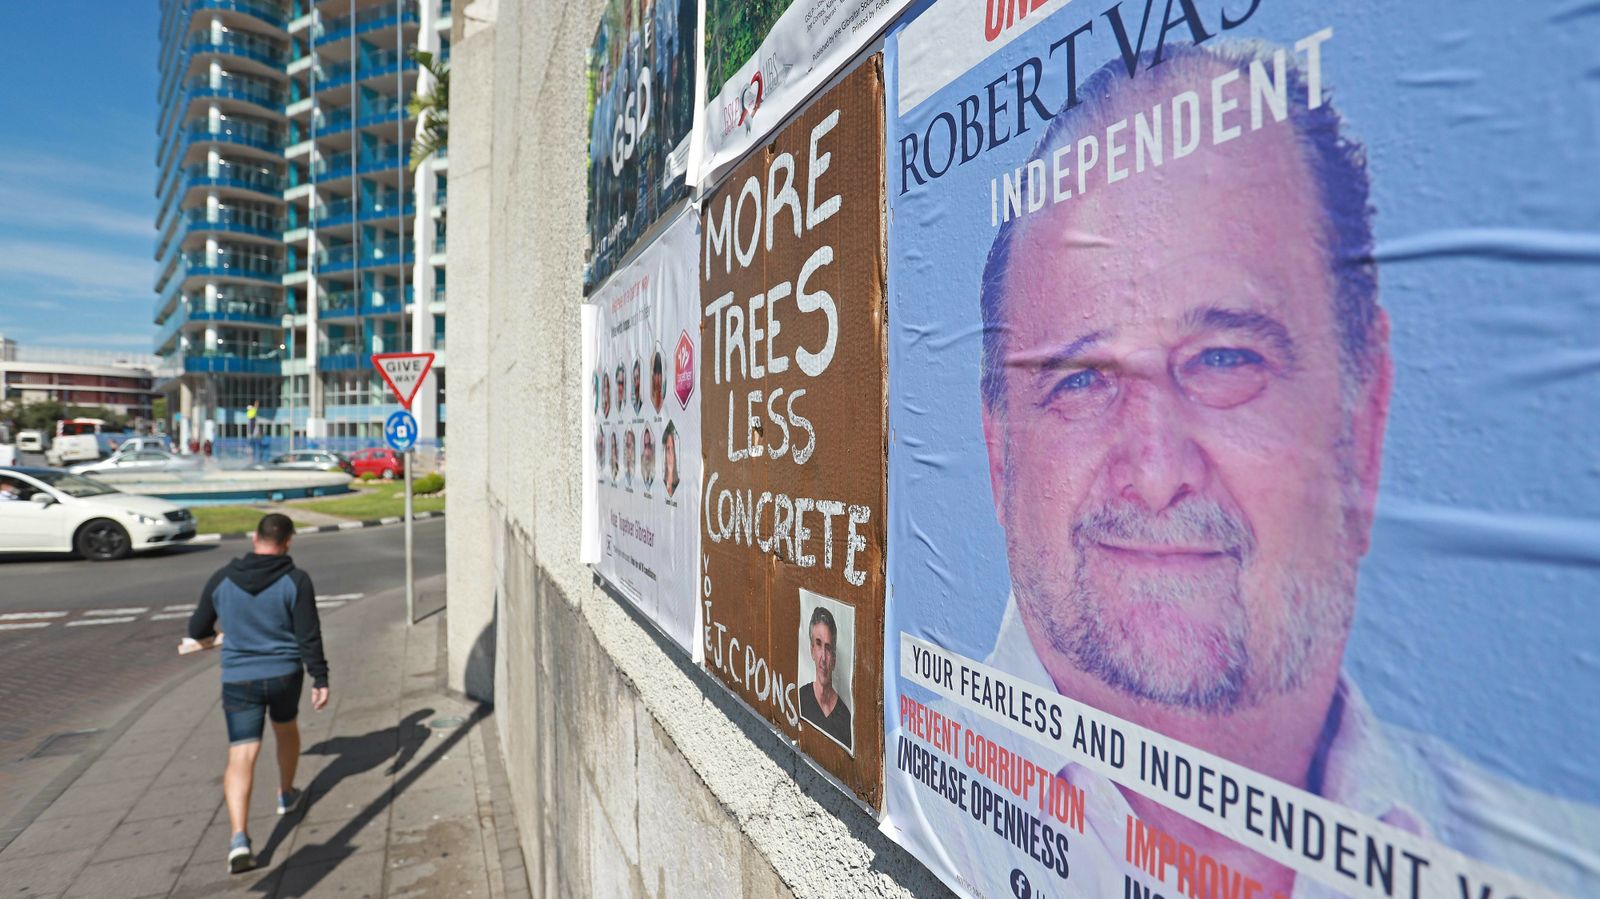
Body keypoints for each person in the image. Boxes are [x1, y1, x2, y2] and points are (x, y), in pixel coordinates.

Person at [952, 40, 1599, 898]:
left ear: (1364, 418)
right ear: (1000, 458)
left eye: (1225, 360)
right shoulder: (917, 781)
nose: (1155, 472)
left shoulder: (1547, 862)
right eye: (1080, 378)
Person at [188, 513, 329, 874]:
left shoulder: (222, 579)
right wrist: (320, 678)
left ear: (255, 538)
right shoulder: (295, 580)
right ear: (288, 542)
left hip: (238, 679)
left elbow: (197, 628)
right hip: (284, 674)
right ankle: (285, 794)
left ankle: (238, 838)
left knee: (242, 754)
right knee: (286, 729)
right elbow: (307, 634)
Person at [798, 606, 851, 750]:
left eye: (828, 648)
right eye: (818, 644)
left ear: (833, 657)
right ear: (812, 651)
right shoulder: (800, 698)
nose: (823, 658)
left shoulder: (845, 717)